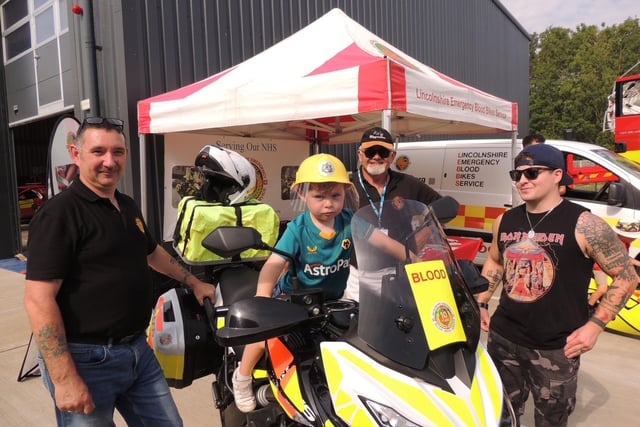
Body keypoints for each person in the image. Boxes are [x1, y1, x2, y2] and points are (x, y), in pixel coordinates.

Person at [24, 117, 216, 426]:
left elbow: (152, 253)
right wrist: (64, 379)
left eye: (118, 152)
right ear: (76, 154)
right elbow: (38, 300)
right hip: (86, 359)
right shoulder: (59, 215)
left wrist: (193, 282)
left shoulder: (125, 204)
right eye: (98, 151)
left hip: (138, 351)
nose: (109, 161)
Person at [232, 153, 410, 413]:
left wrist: (416, 259)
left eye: (335, 196)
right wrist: (262, 298)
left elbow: (386, 244)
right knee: (262, 337)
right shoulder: (298, 228)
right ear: (303, 195)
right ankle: (243, 376)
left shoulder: (351, 222)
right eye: (319, 197)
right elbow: (273, 265)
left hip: (335, 303)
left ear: (345, 194)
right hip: (295, 302)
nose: (329, 204)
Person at [476, 143, 638, 427]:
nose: (523, 180)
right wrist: (482, 301)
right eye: (517, 174)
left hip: (555, 347)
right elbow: (495, 262)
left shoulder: (585, 224)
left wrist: (594, 326)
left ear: (557, 174)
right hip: (504, 339)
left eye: (533, 172)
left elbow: (627, 275)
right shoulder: (505, 220)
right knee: (500, 414)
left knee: (551, 420)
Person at [345, 126, 442, 300]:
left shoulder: (408, 183)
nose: (376, 157)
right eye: (370, 152)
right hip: (359, 275)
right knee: (359, 325)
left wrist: (424, 234)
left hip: (400, 272)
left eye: (382, 152)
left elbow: (446, 206)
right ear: (360, 155)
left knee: (399, 324)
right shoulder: (346, 185)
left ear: (392, 156)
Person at [589, 217, 640, 307]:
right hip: (601, 269)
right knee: (602, 289)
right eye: (632, 237)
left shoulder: (625, 243)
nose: (634, 239)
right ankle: (589, 306)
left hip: (612, 266)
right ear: (623, 235)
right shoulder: (617, 244)